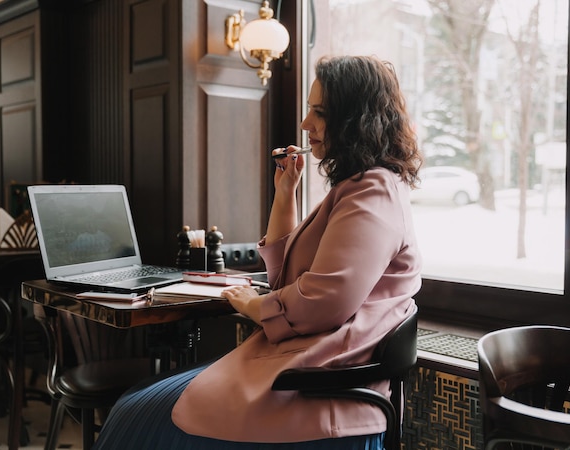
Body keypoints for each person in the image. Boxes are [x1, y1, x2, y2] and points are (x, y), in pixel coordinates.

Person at [92, 55, 423, 449]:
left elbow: (324, 300)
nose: (305, 124)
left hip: (323, 387)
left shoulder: (373, 191)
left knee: (136, 416)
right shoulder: (357, 188)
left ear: (355, 120)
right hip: (307, 364)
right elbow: (291, 282)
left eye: (319, 112)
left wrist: (254, 306)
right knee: (135, 406)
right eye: (308, 110)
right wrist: (285, 194)